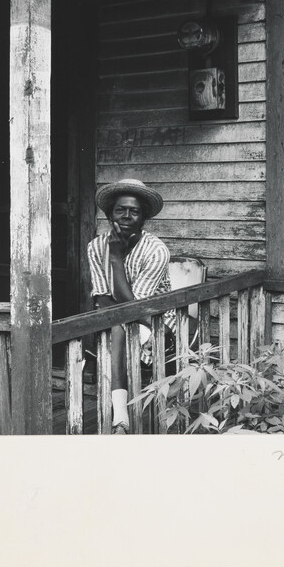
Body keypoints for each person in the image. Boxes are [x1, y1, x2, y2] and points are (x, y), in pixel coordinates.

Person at [87, 178, 175, 434]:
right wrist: (110, 253)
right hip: (116, 314)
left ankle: (120, 419)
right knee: (118, 326)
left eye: (134, 211)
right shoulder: (95, 247)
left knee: (118, 327)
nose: (126, 216)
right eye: (120, 210)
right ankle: (122, 419)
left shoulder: (156, 250)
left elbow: (138, 307)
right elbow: (102, 298)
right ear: (109, 214)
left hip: (154, 319)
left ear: (143, 216)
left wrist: (115, 257)